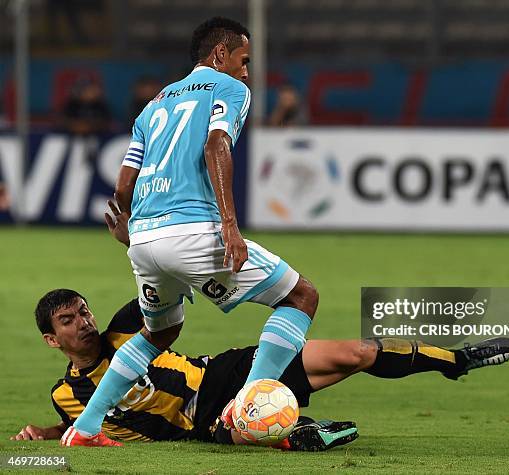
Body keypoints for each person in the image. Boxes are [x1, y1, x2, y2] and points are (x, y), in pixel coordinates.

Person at [63, 17, 320, 446]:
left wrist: (134, 230)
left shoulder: (154, 104)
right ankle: (242, 410)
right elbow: (215, 145)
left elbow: (123, 184)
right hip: (194, 233)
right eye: (243, 59)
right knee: (300, 297)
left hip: (144, 239)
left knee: (159, 332)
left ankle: (86, 428)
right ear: (221, 54)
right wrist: (230, 227)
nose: (246, 70)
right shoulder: (231, 89)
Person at [13, 289, 509, 449]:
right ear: (51, 339)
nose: (83, 322)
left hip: (224, 373)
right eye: (68, 320)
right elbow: (83, 423)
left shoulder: (125, 328)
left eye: (83, 311)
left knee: (358, 352)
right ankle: (301, 433)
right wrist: (44, 433)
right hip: (200, 425)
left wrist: (134, 242)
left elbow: (159, 286)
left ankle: (458, 360)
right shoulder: (66, 395)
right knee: (261, 429)